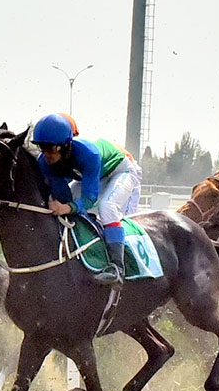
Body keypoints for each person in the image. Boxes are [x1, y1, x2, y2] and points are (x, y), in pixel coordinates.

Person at [32, 113, 142, 287]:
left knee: (107, 206)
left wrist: (66, 208)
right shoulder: (44, 163)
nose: (46, 154)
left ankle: (117, 268)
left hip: (121, 170)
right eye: (41, 148)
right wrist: (63, 206)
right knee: (73, 206)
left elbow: (89, 198)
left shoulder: (88, 153)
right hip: (94, 178)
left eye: (50, 148)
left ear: (65, 145)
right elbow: (65, 197)